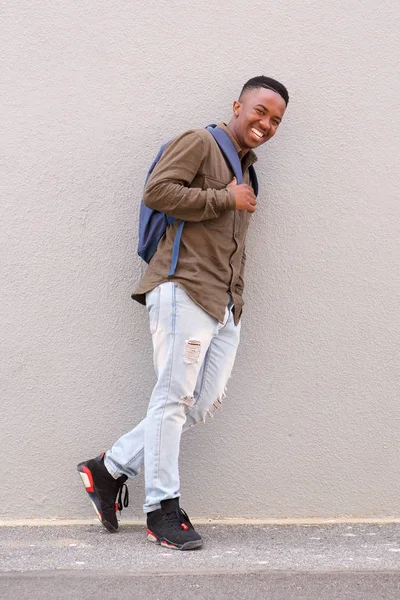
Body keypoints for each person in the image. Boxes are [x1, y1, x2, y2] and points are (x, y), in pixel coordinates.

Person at [77, 75, 289, 551]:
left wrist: (237, 299)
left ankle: (108, 469)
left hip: (224, 302)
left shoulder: (247, 168)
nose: (266, 123)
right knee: (173, 399)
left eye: (276, 120)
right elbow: (158, 191)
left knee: (201, 401)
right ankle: (162, 510)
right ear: (238, 105)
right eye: (260, 111)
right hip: (183, 290)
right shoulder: (199, 141)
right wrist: (223, 198)